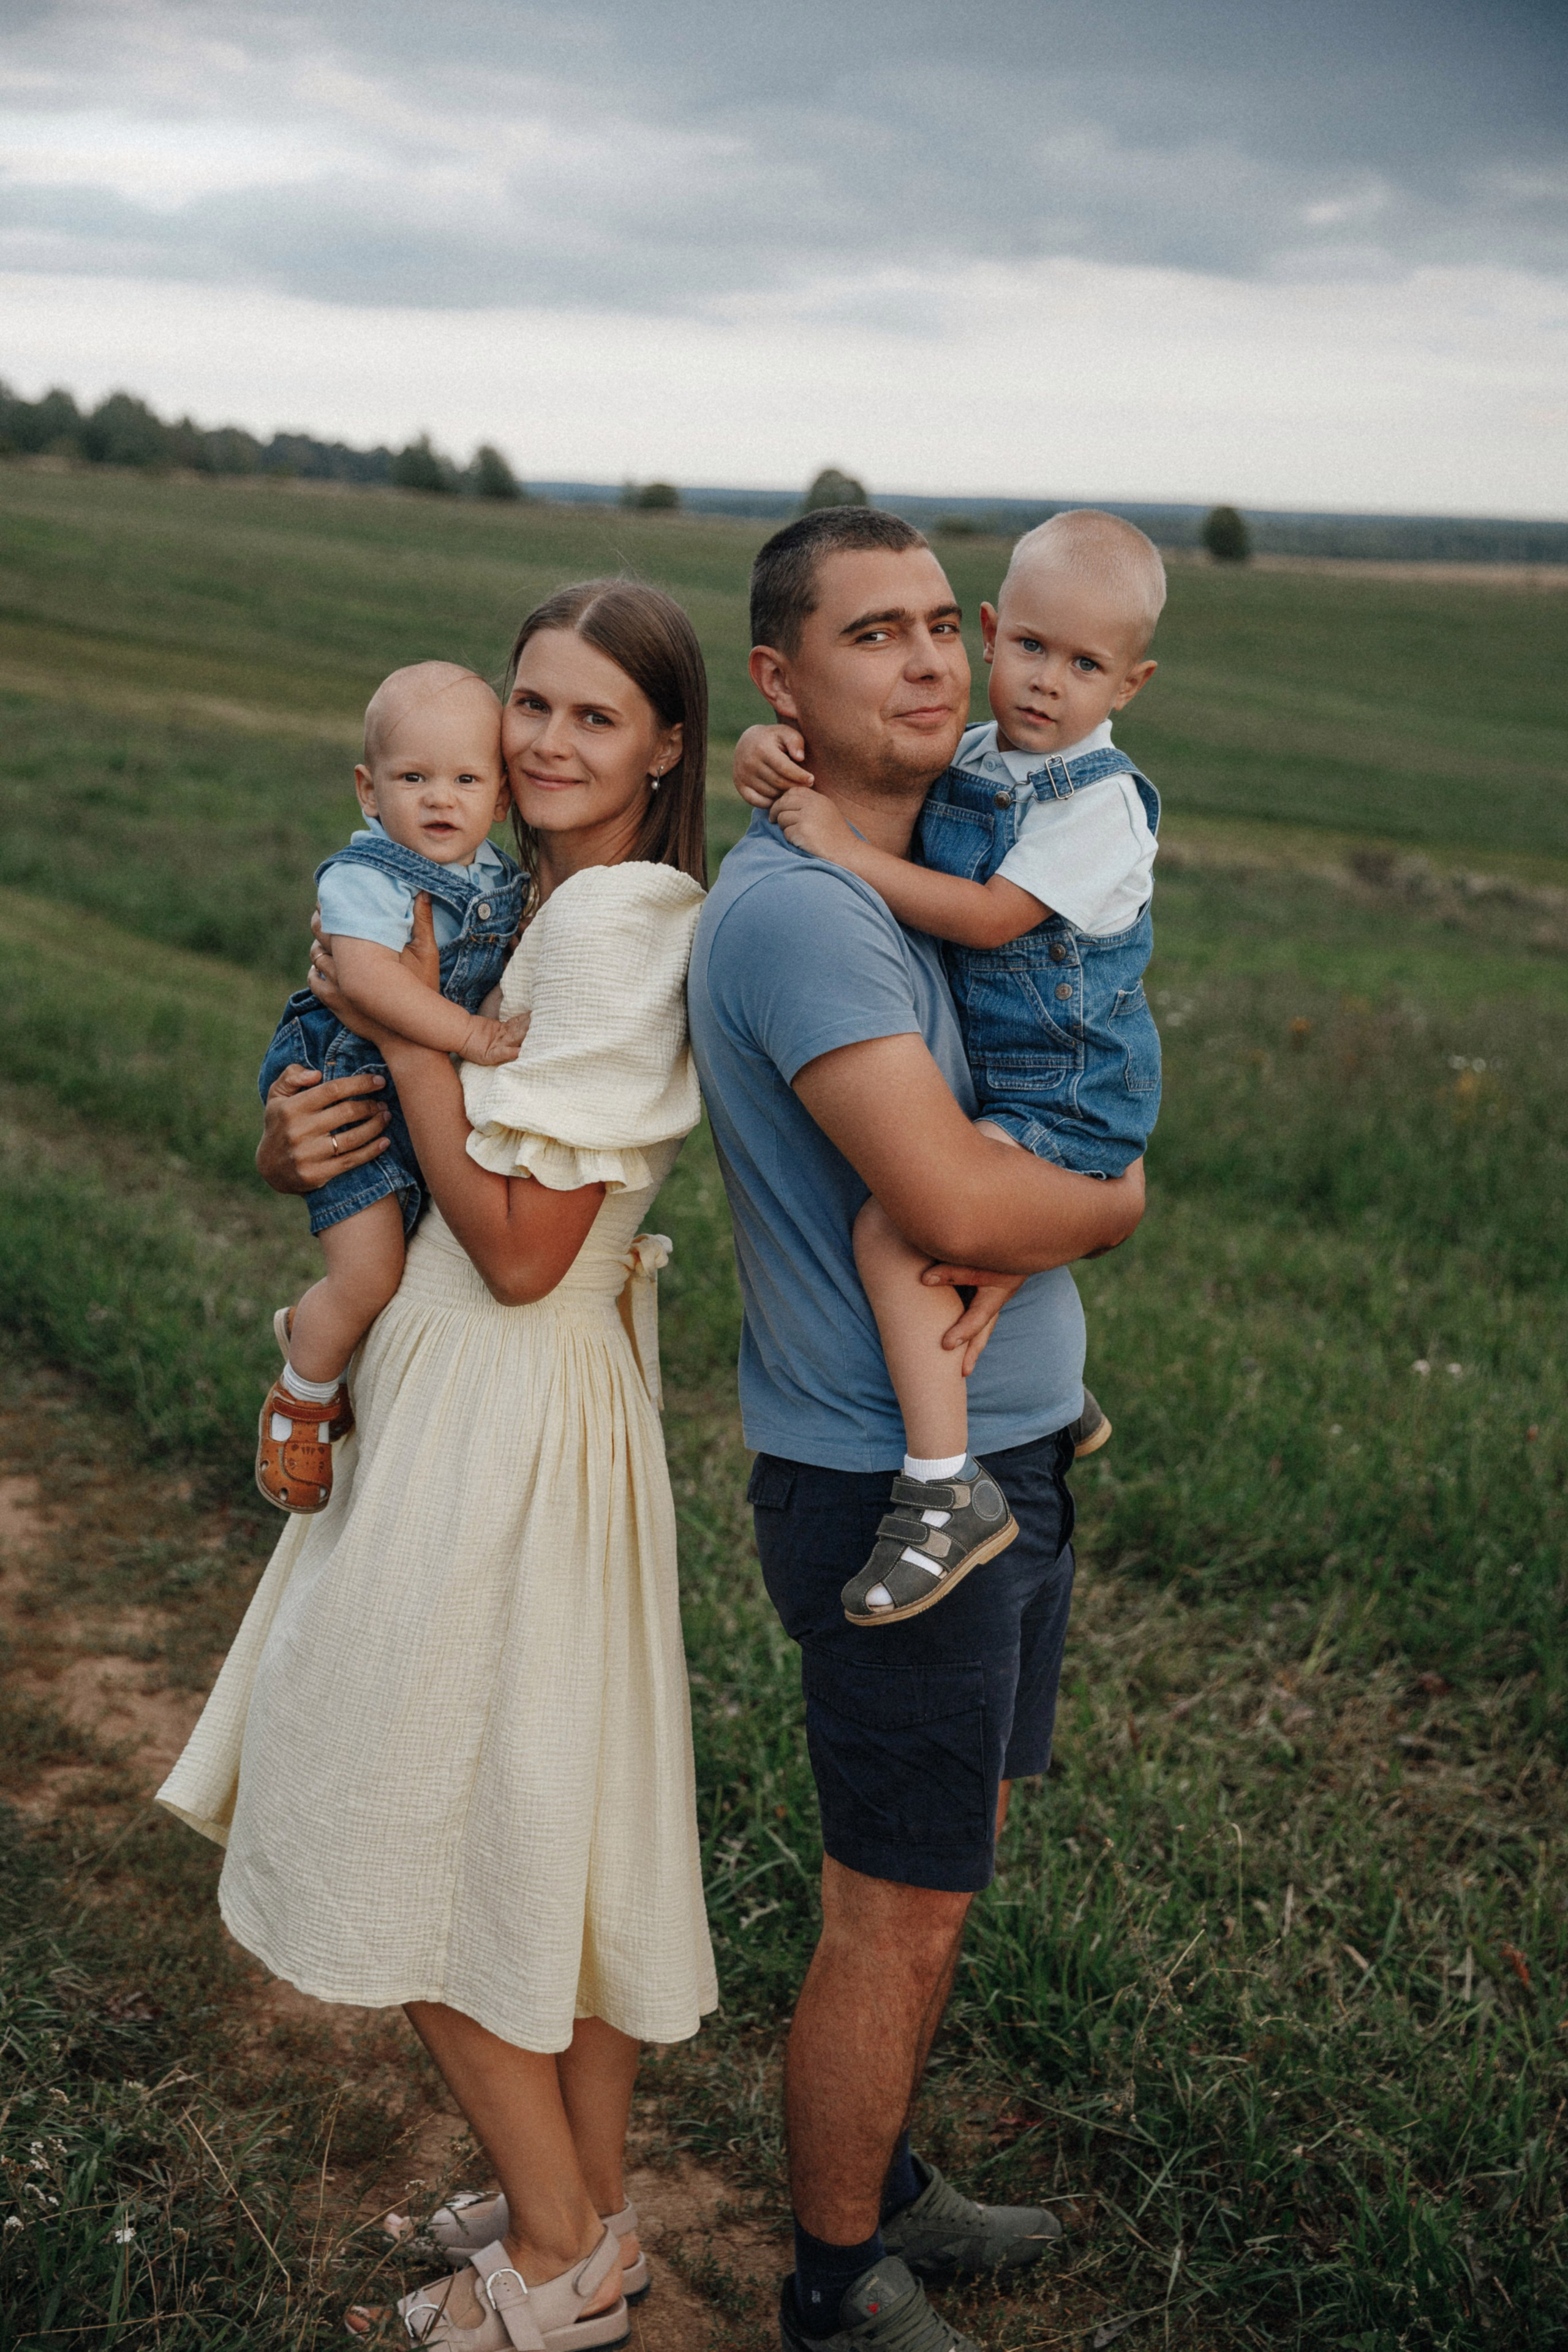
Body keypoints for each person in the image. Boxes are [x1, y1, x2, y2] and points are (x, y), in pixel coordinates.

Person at [157, 580, 717, 2351]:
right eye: (527, 709)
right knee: (546, 1809)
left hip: (512, 1388)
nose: (546, 745)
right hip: (513, 1390)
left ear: (664, 747)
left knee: (383, 1799)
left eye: (592, 719)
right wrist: (302, 1136)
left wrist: (395, 1025)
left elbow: (529, 1245)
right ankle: (585, 2203)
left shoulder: (617, 923)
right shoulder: (525, 895)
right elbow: (413, 1162)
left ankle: (559, 2263)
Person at [687, 507, 1145, 2352]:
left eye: (946, 624)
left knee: (936, 1881)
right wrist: (1118, 1209)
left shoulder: (938, 830)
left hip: (1009, 1463)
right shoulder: (805, 916)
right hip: (893, 1493)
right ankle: (830, 2283)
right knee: (899, 1911)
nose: (941, 663)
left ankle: (883, 2186)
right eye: (874, 636)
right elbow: (956, 1207)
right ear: (786, 682)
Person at [732, 511, 1164, 1627]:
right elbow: (959, 1215)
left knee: (981, 1798)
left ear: (1131, 683)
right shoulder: (969, 774)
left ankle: (1016, 1439)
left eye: (1084, 665)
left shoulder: (1096, 802)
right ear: (999, 634)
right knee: (902, 1225)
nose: (1042, 682)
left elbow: (981, 917)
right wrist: (766, 752)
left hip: (1070, 1088)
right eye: (879, 635)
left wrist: (1089, 1202)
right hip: (869, 1454)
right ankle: (941, 1489)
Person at [254, 661, 528, 1517]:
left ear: (502, 796)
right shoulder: (365, 876)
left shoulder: (501, 881)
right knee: (370, 1272)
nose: (440, 799)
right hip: (348, 1087)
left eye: (465, 779)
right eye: (414, 778)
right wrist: (476, 1035)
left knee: (412, 1262)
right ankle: (301, 1391)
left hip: (416, 1098)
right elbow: (366, 985)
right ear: (370, 791)